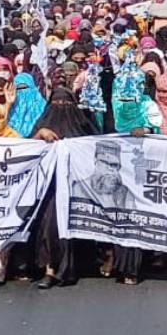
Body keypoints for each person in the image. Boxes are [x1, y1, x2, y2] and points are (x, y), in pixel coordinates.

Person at [31, 87, 101, 290]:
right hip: (50, 188)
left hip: (78, 188)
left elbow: (97, 149)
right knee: (50, 227)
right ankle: (50, 270)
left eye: (66, 103)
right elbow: (26, 151)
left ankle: (77, 267)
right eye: (56, 103)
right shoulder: (42, 124)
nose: (61, 107)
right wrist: (39, 135)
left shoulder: (83, 125)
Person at [7, 72, 46, 137]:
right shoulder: (9, 111)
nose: (22, 91)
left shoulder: (45, 110)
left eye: (25, 87)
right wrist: (8, 104)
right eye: (18, 88)